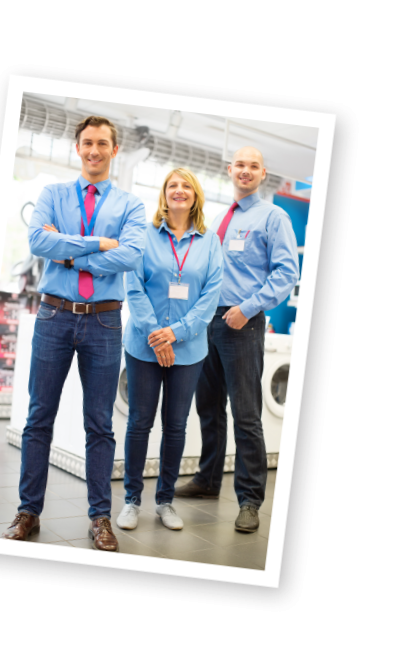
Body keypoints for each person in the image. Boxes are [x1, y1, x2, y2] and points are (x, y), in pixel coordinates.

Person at [2, 116, 146, 552]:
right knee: (38, 417)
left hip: (104, 320)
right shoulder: (53, 194)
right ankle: (29, 511)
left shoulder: (130, 205)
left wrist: (70, 252)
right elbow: (38, 243)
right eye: (87, 142)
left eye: (103, 143)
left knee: (99, 424)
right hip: (54, 316)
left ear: (114, 150)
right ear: (77, 147)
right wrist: (99, 244)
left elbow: (132, 254)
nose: (94, 150)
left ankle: (100, 517)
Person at [175, 147, 299, 533]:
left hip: (242, 323)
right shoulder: (217, 217)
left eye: (253, 166)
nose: (245, 171)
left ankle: (249, 500)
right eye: (239, 165)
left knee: (246, 414)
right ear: (230, 170)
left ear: (263, 174)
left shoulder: (273, 216)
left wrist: (248, 307)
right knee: (208, 407)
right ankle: (208, 480)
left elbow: (286, 273)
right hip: (208, 321)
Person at [117, 168, 223, 532]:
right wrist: (157, 335)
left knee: (175, 426)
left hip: (189, 349)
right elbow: (134, 288)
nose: (179, 191)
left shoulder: (210, 241)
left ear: (195, 196)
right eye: (172, 186)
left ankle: (164, 501)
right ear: (164, 195)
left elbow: (211, 296)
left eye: (186, 186)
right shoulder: (144, 236)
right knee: (140, 422)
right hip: (143, 346)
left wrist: (175, 334)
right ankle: (131, 500)